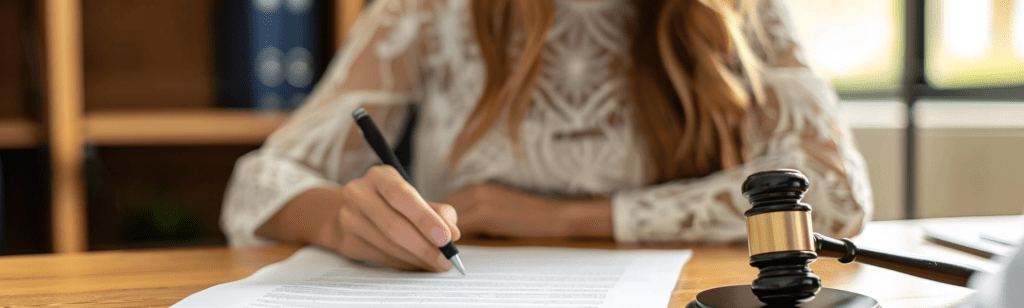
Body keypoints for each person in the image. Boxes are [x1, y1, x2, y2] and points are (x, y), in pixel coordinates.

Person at [222, 0, 872, 272]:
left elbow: (836, 195)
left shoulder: (737, 11)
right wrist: (344, 219)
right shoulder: (428, 10)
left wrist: (562, 218)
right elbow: (258, 184)